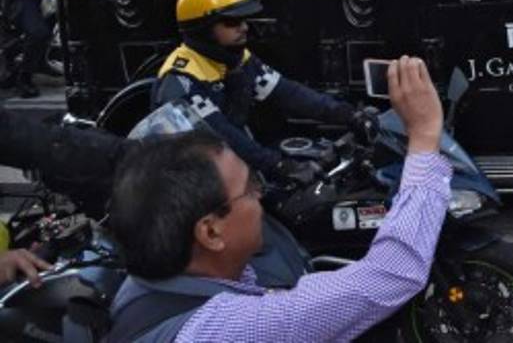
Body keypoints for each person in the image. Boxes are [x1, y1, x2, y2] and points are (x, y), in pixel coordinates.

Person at [107, 55, 448, 342]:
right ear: (210, 232)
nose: (260, 195)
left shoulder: (148, 289)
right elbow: (389, 275)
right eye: (250, 188)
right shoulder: (226, 330)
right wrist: (424, 135)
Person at [152, 0, 359, 182]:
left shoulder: (238, 60)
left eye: (244, 19)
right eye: (232, 21)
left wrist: (348, 114)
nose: (244, 27)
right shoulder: (182, 80)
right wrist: (276, 165)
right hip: (199, 186)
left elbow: (289, 94)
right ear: (202, 28)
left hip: (234, 170)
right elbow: (222, 137)